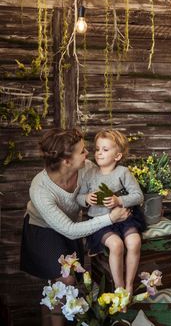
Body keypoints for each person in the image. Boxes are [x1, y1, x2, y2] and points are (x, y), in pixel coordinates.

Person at [20, 128, 130, 326]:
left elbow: (105, 186)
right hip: (42, 230)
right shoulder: (40, 189)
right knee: (65, 282)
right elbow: (69, 229)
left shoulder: (86, 168)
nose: (88, 153)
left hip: (71, 228)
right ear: (66, 161)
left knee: (67, 285)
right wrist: (111, 219)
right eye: (82, 151)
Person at [77, 129, 146, 296]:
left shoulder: (123, 172)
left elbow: (138, 196)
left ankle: (129, 284)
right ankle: (119, 287)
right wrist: (86, 198)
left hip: (124, 218)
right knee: (116, 245)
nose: (99, 153)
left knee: (134, 242)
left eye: (105, 150)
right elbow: (78, 198)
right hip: (100, 222)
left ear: (117, 156)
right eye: (97, 149)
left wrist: (119, 200)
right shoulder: (89, 174)